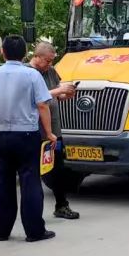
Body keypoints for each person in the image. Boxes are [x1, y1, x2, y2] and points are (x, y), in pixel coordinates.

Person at [0, 35, 57, 243]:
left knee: (3, 182)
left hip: (1, 134)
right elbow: (43, 105)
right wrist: (50, 133)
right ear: (26, 54)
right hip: (26, 134)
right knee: (30, 181)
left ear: (2, 52)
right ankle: (34, 231)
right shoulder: (31, 75)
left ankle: (3, 230)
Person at [29, 41, 79, 219]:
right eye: (47, 61)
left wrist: (66, 94)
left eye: (51, 61)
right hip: (37, 131)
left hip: (54, 131)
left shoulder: (50, 72)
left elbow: (57, 94)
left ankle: (61, 205)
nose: (49, 65)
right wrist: (58, 91)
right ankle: (34, 212)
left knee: (58, 168)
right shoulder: (29, 74)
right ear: (36, 57)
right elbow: (38, 98)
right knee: (35, 170)